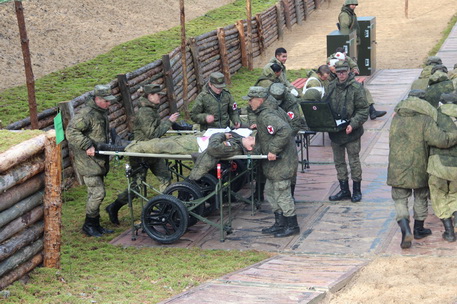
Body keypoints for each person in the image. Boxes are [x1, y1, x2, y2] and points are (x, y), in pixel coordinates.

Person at [387, 91, 457, 248]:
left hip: (396, 165)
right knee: (420, 196)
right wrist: (453, 135)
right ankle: (418, 229)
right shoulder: (425, 120)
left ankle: (405, 229)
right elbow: (441, 140)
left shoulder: (396, 118)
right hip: (419, 165)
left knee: (399, 198)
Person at [105, 84, 179, 225]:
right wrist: (169, 122)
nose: (160, 97)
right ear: (150, 96)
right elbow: (152, 134)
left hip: (152, 151)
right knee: (136, 187)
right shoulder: (145, 112)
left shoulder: (151, 110)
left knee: (165, 177)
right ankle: (114, 207)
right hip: (141, 153)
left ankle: (166, 207)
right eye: (158, 95)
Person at [244, 86, 299, 238]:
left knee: (282, 193)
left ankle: (292, 224)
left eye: (251, 100)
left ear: (260, 100)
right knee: (270, 191)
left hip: (282, 161)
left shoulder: (267, 115)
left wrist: (273, 150)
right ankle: (280, 222)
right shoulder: (270, 111)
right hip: (275, 163)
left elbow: (285, 130)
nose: (249, 103)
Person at [66, 84, 117, 237]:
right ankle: (89, 225)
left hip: (98, 160)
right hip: (88, 161)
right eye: (106, 101)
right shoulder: (86, 114)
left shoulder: (100, 112)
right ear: (97, 99)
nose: (109, 104)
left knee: (94, 194)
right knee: (98, 193)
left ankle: (95, 224)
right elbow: (71, 132)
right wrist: (87, 145)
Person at [326, 61, 369, 203]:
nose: (342, 75)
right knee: (339, 162)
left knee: (354, 161)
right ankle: (344, 189)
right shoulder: (331, 86)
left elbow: (363, 110)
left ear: (349, 71)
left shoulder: (356, 87)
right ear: (335, 73)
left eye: (344, 72)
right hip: (336, 131)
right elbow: (324, 105)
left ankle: (357, 190)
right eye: (339, 72)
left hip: (352, 132)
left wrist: (353, 123)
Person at [427, 92, 457, 242]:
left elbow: (431, 138)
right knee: (455, 193)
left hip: (438, 163)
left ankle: (449, 231)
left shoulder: (435, 117)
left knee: (438, 195)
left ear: (441, 103)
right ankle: (456, 215)